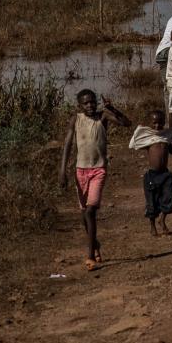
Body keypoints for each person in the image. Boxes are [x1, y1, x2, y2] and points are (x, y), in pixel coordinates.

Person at [62, 88, 133, 272]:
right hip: (80, 171)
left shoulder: (103, 117)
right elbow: (68, 144)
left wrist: (113, 108)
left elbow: (127, 123)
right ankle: (95, 243)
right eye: (85, 103)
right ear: (79, 105)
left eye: (92, 102)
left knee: (90, 212)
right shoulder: (76, 119)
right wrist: (62, 171)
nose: (90, 105)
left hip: (98, 170)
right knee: (84, 215)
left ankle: (90, 255)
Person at [139, 117, 172, 237]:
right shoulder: (148, 138)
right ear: (150, 124)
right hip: (152, 175)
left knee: (169, 199)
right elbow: (136, 142)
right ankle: (152, 226)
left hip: (165, 174)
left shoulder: (166, 137)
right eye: (155, 123)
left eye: (160, 123)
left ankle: (162, 219)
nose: (157, 125)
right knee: (152, 202)